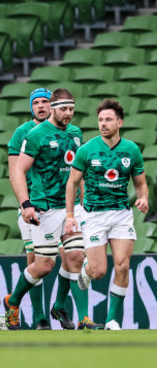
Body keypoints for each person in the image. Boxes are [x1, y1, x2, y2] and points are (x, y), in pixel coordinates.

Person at [4, 88, 100, 330]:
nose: (68, 113)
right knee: (44, 265)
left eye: (72, 109)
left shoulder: (76, 133)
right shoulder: (35, 135)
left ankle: (82, 317)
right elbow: (18, 171)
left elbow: (79, 170)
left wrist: (84, 199)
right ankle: (13, 301)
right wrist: (26, 205)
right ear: (54, 108)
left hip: (70, 207)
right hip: (44, 208)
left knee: (76, 257)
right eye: (64, 109)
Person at [65, 99, 149, 331]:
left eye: (108, 119)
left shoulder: (131, 150)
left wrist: (143, 198)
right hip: (94, 215)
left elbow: (141, 183)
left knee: (122, 266)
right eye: (100, 119)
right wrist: (71, 214)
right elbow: (72, 183)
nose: (103, 123)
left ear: (119, 122)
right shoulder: (87, 149)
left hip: (121, 214)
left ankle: (113, 320)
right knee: (99, 271)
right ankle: (86, 271)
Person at [7, 88, 53, 330]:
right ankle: (39, 317)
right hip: (33, 206)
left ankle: (68, 310)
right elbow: (15, 172)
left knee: (71, 257)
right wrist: (24, 204)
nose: (41, 106)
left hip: (58, 206)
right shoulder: (22, 132)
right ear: (31, 106)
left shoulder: (65, 131)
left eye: (46, 102)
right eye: (37, 102)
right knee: (35, 258)